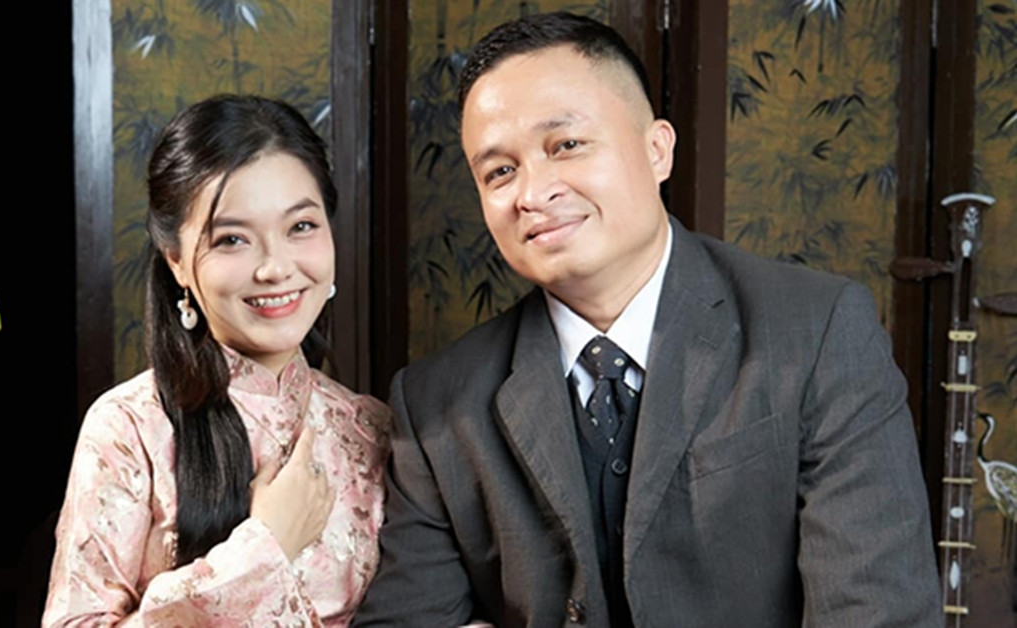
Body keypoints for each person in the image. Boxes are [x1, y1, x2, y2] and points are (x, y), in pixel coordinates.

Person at [354, 11, 940, 628]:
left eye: (566, 145)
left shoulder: (815, 332)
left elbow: (877, 613)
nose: (533, 192)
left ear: (657, 149)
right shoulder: (437, 404)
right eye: (500, 171)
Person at [44, 95, 390, 626]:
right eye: (232, 239)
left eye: (301, 226)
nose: (275, 268)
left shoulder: (370, 429)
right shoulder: (131, 429)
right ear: (177, 262)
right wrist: (264, 548)